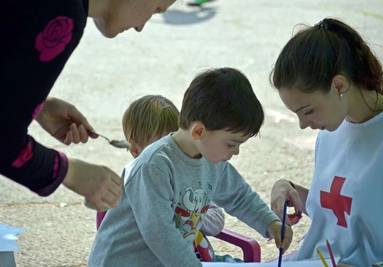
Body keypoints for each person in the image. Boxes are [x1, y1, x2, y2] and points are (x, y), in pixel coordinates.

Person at [87, 67, 293, 267]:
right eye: (231, 144)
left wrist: (270, 223)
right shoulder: (154, 165)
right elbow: (161, 234)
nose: (235, 152)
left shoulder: (213, 160)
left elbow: (239, 196)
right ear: (199, 131)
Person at [0, 0, 176, 211]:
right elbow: (4, 142)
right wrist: (71, 172)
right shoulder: (62, 14)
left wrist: (37, 105)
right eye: (156, 9)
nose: (140, 27)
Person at [269, 18, 383, 267]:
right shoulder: (331, 132)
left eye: (307, 111)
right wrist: (289, 188)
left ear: (338, 85)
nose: (303, 124)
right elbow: (339, 213)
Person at [95, 94, 226, 262]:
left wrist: (191, 215)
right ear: (135, 149)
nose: (172, 153)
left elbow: (217, 219)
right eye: (160, 148)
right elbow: (157, 234)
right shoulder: (138, 180)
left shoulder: (185, 177)